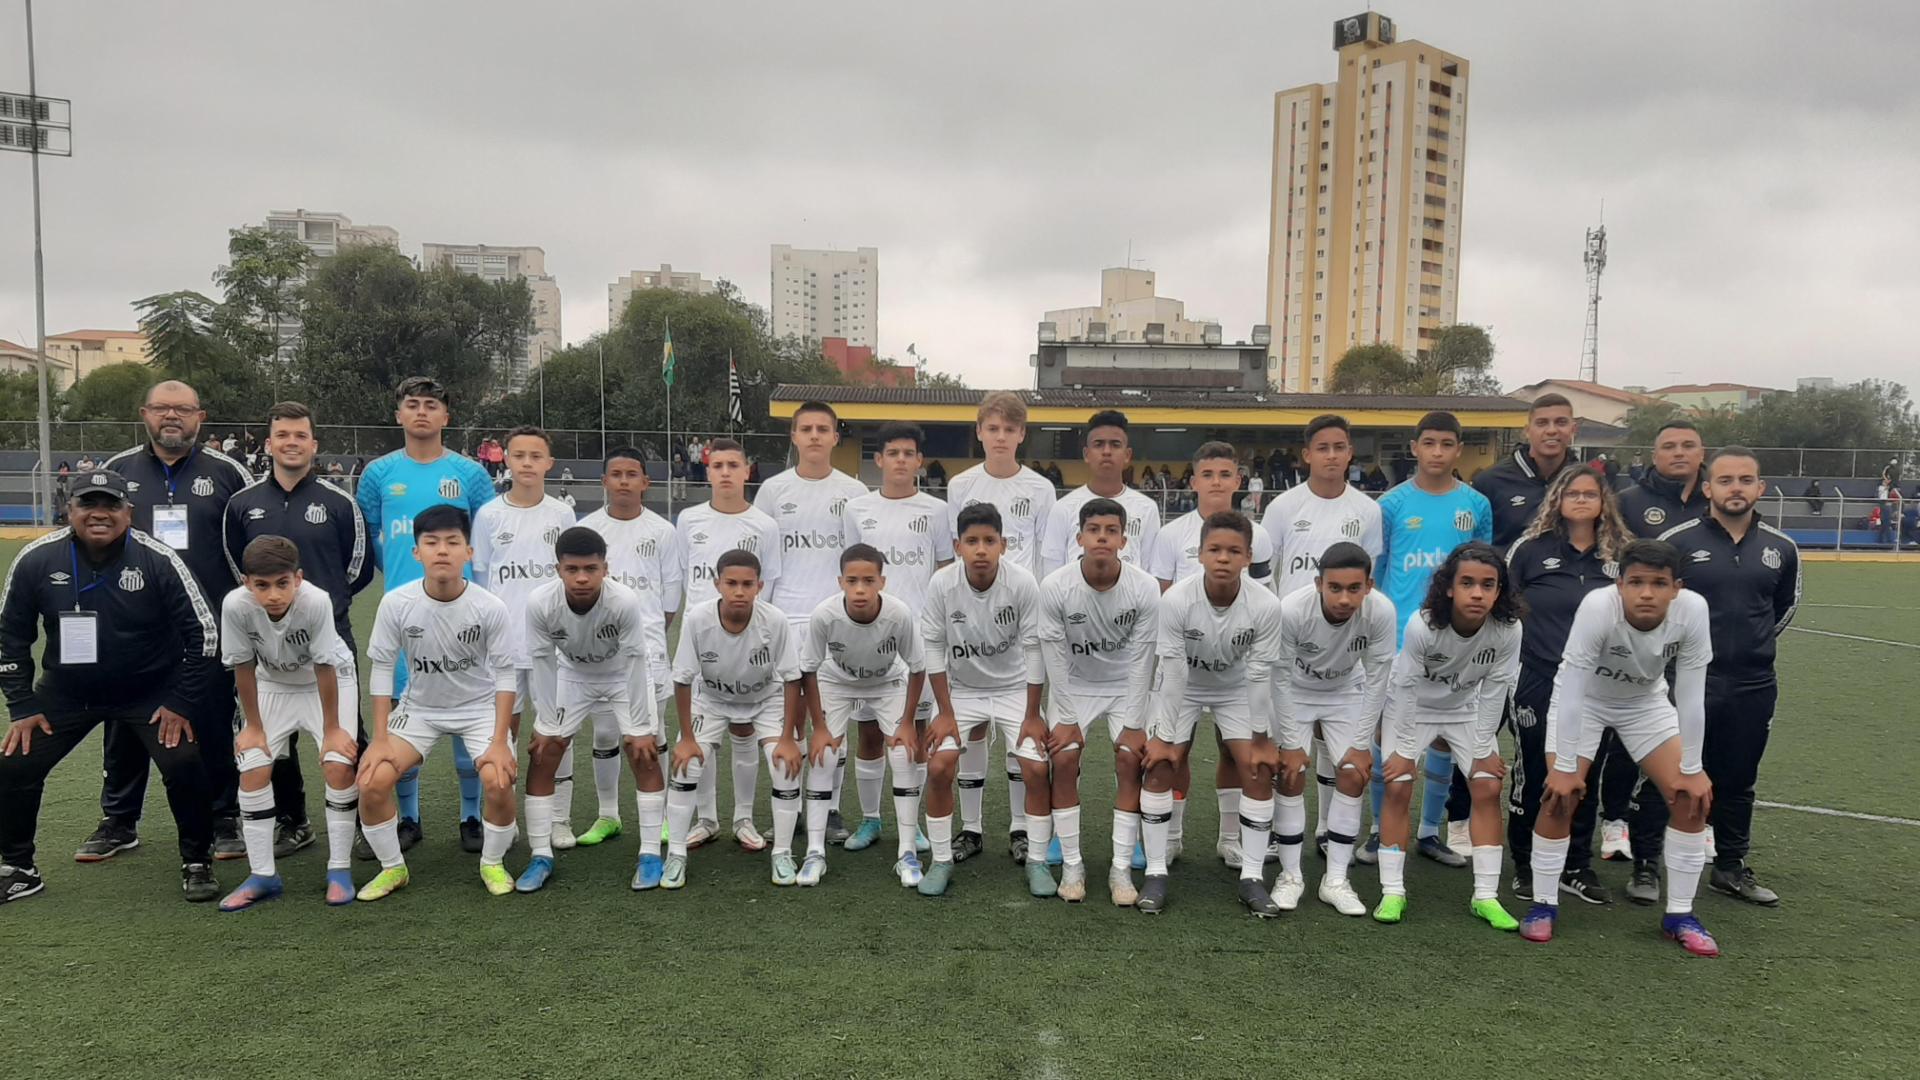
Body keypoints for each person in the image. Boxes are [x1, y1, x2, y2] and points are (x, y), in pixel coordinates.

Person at [0, 470, 221, 904]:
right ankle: (18, 867)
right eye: (88, 504)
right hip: (67, 692)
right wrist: (23, 706)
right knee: (14, 763)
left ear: (128, 512)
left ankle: (198, 861)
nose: (99, 513)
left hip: (150, 692)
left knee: (184, 761)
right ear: (70, 510)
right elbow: (10, 635)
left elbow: (205, 634)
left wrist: (180, 701)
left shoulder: (158, 558)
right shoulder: (37, 559)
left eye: (110, 505)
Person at [1519, 539, 1721, 955]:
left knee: (1690, 798)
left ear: (1677, 587)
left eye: (1659, 583)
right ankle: (1543, 905)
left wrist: (1693, 765)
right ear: (1620, 585)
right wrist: (1566, 766)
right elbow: (1572, 686)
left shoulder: (1694, 610)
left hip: (1645, 703)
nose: (1647, 593)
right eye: (1636, 582)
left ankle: (1679, 914)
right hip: (1585, 702)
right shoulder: (1598, 606)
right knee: (1561, 795)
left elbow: (1691, 693)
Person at [1629, 447, 1802, 907]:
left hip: (1752, 682)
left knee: (1739, 776)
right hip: (1684, 680)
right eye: (1726, 480)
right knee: (1662, 774)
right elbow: (1654, 601)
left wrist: (1751, 645)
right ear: (1708, 488)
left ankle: (1729, 866)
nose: (1736, 488)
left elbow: (1782, 609)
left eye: (1746, 480)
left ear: (1760, 489)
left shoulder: (1781, 548)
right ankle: (1645, 865)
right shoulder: (1677, 543)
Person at [94, 381, 256, 864]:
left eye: (182, 409)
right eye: (162, 408)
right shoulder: (117, 471)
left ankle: (223, 815)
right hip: (135, 626)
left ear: (200, 418)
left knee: (211, 718)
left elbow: (251, 545)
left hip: (206, 627)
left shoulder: (229, 473)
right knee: (125, 722)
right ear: (144, 413)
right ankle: (120, 820)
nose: (172, 416)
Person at [223, 401, 374, 858]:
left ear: (314, 443)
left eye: (300, 435)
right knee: (275, 740)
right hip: (266, 640)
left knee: (349, 733)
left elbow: (359, 567)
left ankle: (368, 818)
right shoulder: (243, 504)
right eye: (282, 435)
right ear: (269, 444)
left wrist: (318, 606)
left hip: (328, 633)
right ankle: (295, 821)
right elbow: (235, 562)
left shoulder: (338, 502)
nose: (291, 443)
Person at [354, 377, 498, 854]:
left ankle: (472, 816)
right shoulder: (377, 473)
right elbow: (374, 536)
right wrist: (401, 580)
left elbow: (483, 536)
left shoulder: (470, 474)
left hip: (462, 616)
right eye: (411, 405)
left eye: (431, 405)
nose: (420, 412)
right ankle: (408, 817)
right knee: (403, 714)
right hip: (405, 615)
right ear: (398, 415)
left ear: (445, 417)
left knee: (465, 708)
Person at [355, 505, 519, 900]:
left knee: (498, 779)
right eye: (431, 542)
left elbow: (506, 675)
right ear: (416, 552)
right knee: (372, 781)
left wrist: (500, 740)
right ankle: (393, 869)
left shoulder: (489, 607)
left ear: (469, 551)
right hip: (420, 711)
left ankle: (492, 863)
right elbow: (380, 671)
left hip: (478, 709)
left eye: (452, 542)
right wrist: (378, 738)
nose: (442, 550)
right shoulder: (396, 603)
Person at [1137, 510, 1284, 916]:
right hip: (1182, 687)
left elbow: (1259, 672)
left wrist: (1260, 738)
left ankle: (1252, 878)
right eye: (1215, 549)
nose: (1224, 558)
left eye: (1234, 551)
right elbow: (1173, 667)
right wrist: (1164, 737)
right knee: (1161, 765)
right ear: (1199, 554)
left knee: (1256, 768)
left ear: (1249, 557)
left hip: (1236, 688)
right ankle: (1156, 871)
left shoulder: (1267, 604)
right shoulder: (1177, 599)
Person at [1505, 465, 1637, 906]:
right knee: (1534, 771)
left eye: (1590, 493)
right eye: (1572, 493)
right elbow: (1503, 608)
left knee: (1586, 772)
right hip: (1538, 675)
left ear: (1604, 501)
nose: (1581, 500)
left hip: (1596, 685)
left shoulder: (1621, 553)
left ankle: (1576, 864)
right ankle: (1525, 861)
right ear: (1557, 499)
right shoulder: (1530, 550)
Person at [1374, 541, 1522, 930]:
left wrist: (1482, 746)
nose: (1477, 593)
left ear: (1499, 591)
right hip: (1413, 708)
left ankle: (1486, 897)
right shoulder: (1424, 624)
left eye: (1488, 585)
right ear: (1449, 588)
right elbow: (1404, 688)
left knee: (1488, 786)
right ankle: (1393, 891)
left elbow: (1496, 688)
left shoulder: (1508, 629)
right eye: (1468, 583)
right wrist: (1404, 751)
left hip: (1464, 710)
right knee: (1399, 785)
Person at [1146, 440, 1277, 869]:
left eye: (1225, 474)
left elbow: (1260, 598)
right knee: (1175, 751)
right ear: (1194, 479)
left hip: (1234, 667)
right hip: (1183, 663)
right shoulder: (1171, 534)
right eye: (1208, 474)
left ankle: (1230, 839)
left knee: (1231, 751)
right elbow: (1163, 596)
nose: (1217, 482)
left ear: (1238, 480)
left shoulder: (1259, 536)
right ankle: (1171, 838)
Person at [1260, 414, 1386, 855]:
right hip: (1291, 639)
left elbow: (1365, 579)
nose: (1332, 456)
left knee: (1337, 749)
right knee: (1287, 747)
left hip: (1342, 641)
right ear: (1307, 455)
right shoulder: (1283, 507)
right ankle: (1280, 829)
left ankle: (1330, 830)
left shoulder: (1368, 511)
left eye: (1340, 447)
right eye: (1323, 448)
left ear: (1350, 453)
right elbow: (1266, 573)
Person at [516, 527, 663, 893]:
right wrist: (547, 721)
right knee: (545, 752)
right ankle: (540, 855)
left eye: (591, 569)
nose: (582, 577)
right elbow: (542, 661)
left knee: (642, 753)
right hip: (573, 674)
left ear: (605, 568)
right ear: (558, 569)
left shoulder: (624, 601)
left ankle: (649, 854)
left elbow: (634, 661)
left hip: (620, 675)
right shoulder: (540, 602)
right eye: (572, 569)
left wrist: (641, 727)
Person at [215, 536, 358, 911]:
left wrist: (332, 731)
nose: (273, 594)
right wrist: (254, 727)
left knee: (338, 766)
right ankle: (263, 875)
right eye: (261, 585)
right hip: (272, 683)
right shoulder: (235, 605)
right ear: (247, 582)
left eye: (282, 583)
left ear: (298, 578)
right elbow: (243, 667)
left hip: (326, 682)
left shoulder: (316, 601)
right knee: (253, 768)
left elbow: (325, 664)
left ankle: (339, 870)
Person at [945, 393, 1056, 862]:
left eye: (1010, 430)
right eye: (993, 429)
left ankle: (1016, 829)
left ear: (1021, 434)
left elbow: (1045, 556)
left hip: (1020, 618)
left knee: (1021, 734)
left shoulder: (1041, 488)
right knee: (970, 732)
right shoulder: (960, 485)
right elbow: (960, 555)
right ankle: (970, 829)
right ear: (979, 432)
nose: (1001, 437)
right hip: (971, 621)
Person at [753, 400, 868, 844]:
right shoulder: (773, 491)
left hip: (836, 620)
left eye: (824, 428)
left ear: (836, 437)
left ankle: (831, 809)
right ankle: (790, 806)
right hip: (786, 618)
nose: (816, 435)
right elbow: (764, 561)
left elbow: (859, 563)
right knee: (790, 721)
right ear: (794, 436)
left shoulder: (854, 493)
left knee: (833, 719)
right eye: (807, 428)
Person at [915, 503, 1043, 897]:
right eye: (972, 541)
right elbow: (933, 647)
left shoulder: (1022, 583)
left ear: (1004, 545)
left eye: (990, 541)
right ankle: (941, 859)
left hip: (1013, 689)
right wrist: (946, 712)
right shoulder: (942, 584)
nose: (981, 549)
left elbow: (1035, 648)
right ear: (957, 546)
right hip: (963, 691)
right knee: (939, 766)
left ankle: (1035, 856)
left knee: (1037, 769)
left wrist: (1034, 714)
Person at [1037, 498, 1160, 904]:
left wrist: (1136, 721)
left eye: (1111, 530)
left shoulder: (1143, 587)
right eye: (1094, 530)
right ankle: (1073, 863)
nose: (1102, 537)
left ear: (1124, 539)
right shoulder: (1056, 586)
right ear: (1080, 538)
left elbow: (1143, 658)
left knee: (1130, 757)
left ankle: (1120, 869)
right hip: (1075, 685)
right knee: (1065, 756)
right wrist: (1068, 717)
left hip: (1126, 686)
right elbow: (1053, 656)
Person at [840, 422, 951, 858]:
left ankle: (914, 822)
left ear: (919, 461)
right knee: (868, 732)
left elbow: (944, 571)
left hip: (917, 635)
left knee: (915, 733)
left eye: (909, 453)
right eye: (893, 453)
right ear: (879, 460)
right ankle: (871, 819)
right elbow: (852, 570)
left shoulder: (936, 511)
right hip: (867, 634)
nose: (901, 460)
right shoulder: (857, 509)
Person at [470, 426, 582, 847]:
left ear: (549, 463)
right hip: (504, 647)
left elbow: (574, 577)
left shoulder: (562, 515)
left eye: (536, 456)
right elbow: (482, 585)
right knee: (505, 731)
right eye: (519, 455)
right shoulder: (488, 516)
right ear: (506, 460)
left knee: (557, 729)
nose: (528, 463)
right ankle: (506, 816)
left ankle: (558, 818)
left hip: (555, 646)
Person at [666, 549, 804, 888]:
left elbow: (791, 679)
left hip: (763, 699)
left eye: (747, 584)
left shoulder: (774, 620)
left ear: (759, 585)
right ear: (717, 584)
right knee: (688, 764)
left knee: (783, 765)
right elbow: (682, 679)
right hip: (711, 699)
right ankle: (676, 855)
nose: (739, 591)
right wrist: (685, 738)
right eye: (731, 583)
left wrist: (787, 738)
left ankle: (781, 853)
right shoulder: (698, 618)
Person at [1271, 542, 1396, 916]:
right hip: (1295, 691)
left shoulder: (1382, 613)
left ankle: (1336, 879)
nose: (1344, 598)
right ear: (1318, 584)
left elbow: (1378, 680)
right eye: (1335, 588)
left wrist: (1361, 745)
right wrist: (1292, 743)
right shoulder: (1291, 610)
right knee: (1291, 771)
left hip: (1345, 691)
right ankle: (1290, 876)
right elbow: (1278, 678)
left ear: (1369, 586)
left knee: (1354, 772)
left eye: (1354, 589)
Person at [675, 437, 784, 852]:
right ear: (708, 471)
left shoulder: (764, 525)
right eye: (716, 465)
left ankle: (742, 818)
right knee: (703, 733)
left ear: (746, 471)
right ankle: (706, 818)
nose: (724, 472)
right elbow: (688, 574)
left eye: (732, 465)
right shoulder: (688, 519)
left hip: (747, 640)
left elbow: (769, 582)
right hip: (700, 641)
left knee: (744, 727)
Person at [798, 544, 927, 887]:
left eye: (868, 580)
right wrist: (821, 728)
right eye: (852, 580)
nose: (860, 589)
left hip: (887, 682)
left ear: (882, 582)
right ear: (840, 581)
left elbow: (917, 668)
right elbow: (808, 671)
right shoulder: (824, 615)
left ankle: (907, 853)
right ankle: (814, 853)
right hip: (837, 682)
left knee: (902, 754)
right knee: (824, 756)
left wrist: (907, 722)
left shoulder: (899, 614)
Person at [577, 448, 684, 846]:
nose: (623, 481)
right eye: (616, 474)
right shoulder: (588, 530)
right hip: (600, 650)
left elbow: (670, 599)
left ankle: (667, 815)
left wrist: (646, 631)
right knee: (605, 732)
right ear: (604, 481)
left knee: (653, 732)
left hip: (649, 648)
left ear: (645, 483)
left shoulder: (662, 531)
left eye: (632, 474)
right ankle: (608, 815)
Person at [1041, 411, 1162, 580]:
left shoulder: (1147, 509)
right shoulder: (1063, 508)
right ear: (1086, 454)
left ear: (1127, 455)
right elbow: (1052, 573)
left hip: (1128, 603)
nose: (1106, 451)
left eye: (1115, 444)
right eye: (1099, 444)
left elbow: (1150, 571)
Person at [1476, 395, 1581, 550]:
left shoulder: (1588, 482)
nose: (1551, 430)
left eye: (1561, 422)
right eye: (1542, 423)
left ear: (1573, 429)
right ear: (1527, 431)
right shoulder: (1490, 482)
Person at [1618, 419, 1708, 538]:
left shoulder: (1720, 499)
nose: (1679, 453)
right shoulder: (1625, 502)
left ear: (1702, 454)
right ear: (1654, 457)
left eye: (1688, 446)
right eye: (1668, 447)